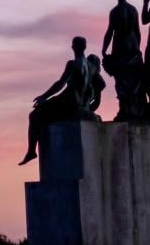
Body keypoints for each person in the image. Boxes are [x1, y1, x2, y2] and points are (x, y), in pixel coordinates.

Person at [20, 36, 94, 165]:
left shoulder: (73, 64)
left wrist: (44, 97)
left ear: (72, 47)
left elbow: (61, 83)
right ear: (85, 47)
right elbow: (89, 88)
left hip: (68, 100)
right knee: (44, 116)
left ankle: (31, 151)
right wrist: (85, 105)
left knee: (34, 115)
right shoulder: (89, 66)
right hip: (77, 102)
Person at [101, 0, 143, 120]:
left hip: (120, 45)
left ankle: (126, 109)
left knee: (121, 79)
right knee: (133, 79)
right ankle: (132, 108)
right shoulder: (133, 10)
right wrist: (137, 48)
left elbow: (109, 32)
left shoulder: (115, 11)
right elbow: (137, 32)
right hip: (133, 45)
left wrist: (104, 49)